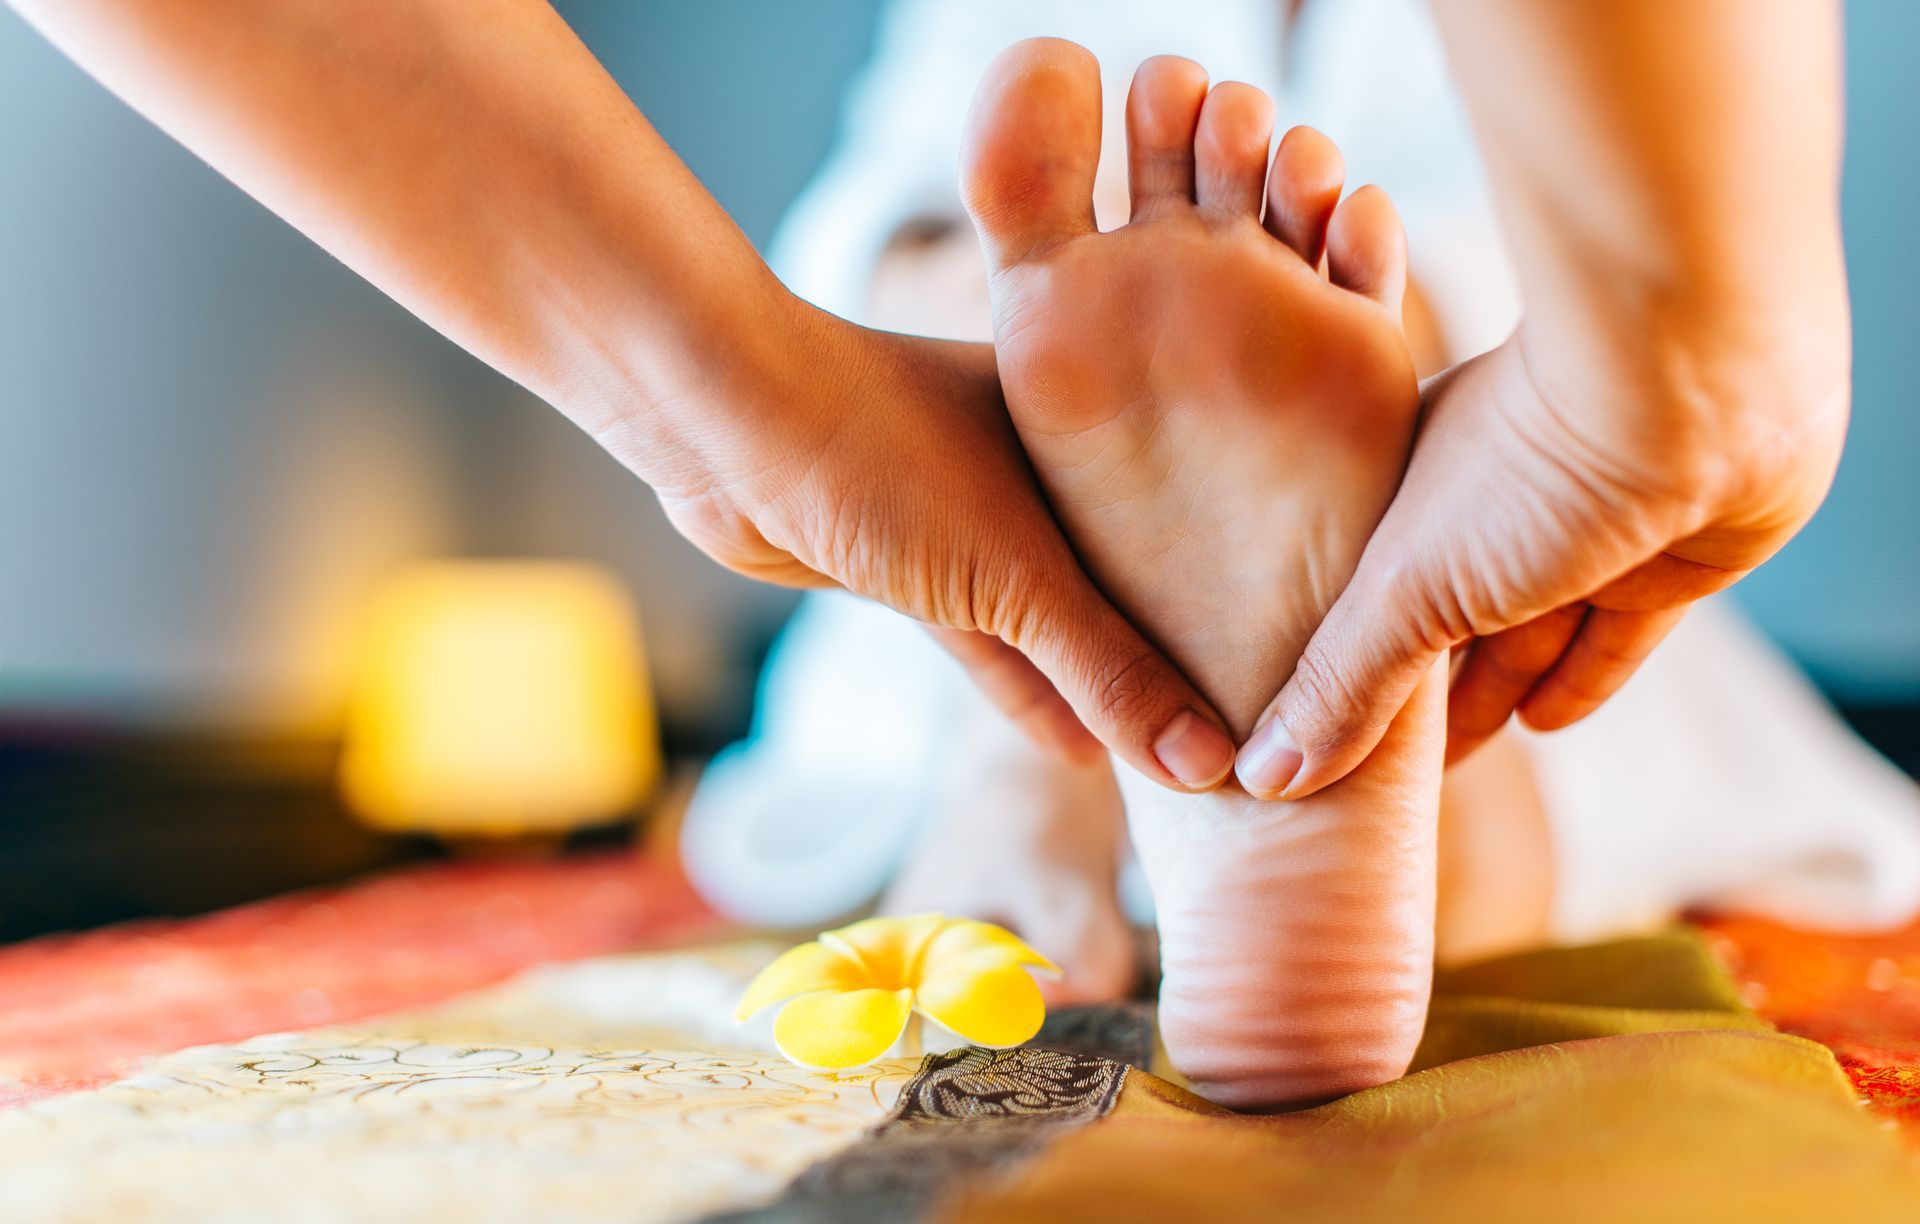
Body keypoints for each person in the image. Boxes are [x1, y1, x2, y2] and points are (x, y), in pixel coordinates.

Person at [5, 0, 1853, 802]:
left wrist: (722, 403)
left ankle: (1083, 739)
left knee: (1391, 571)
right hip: (1496, 457)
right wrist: (1684, 357)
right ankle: (1151, 412)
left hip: (1453, 454)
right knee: (1433, 696)